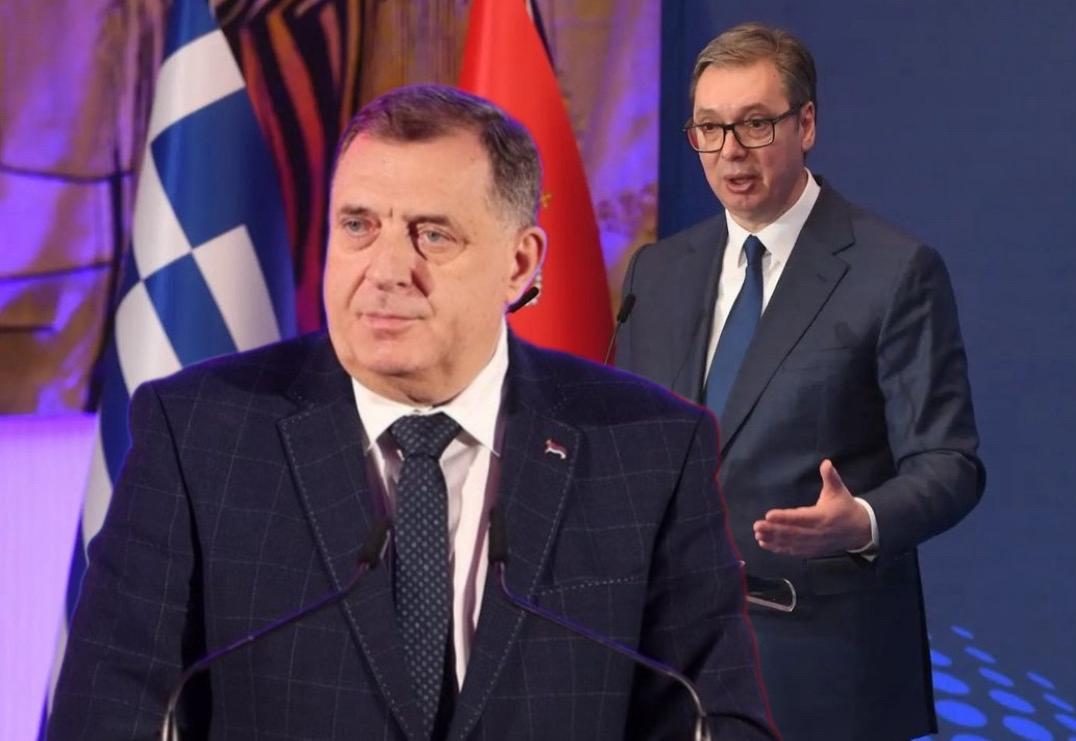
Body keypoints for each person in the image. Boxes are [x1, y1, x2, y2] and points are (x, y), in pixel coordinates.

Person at [49, 84, 777, 740]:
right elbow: (104, 712)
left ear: (519, 265)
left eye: (433, 234)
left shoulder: (646, 449)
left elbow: (716, 718)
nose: (387, 269)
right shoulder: (200, 433)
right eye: (358, 225)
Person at [616, 22, 985, 741]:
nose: (730, 151)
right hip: (667, 664)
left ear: (805, 123)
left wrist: (863, 521)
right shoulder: (656, 272)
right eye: (709, 128)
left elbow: (950, 463)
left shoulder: (893, 271)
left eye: (755, 123)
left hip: (820, 666)